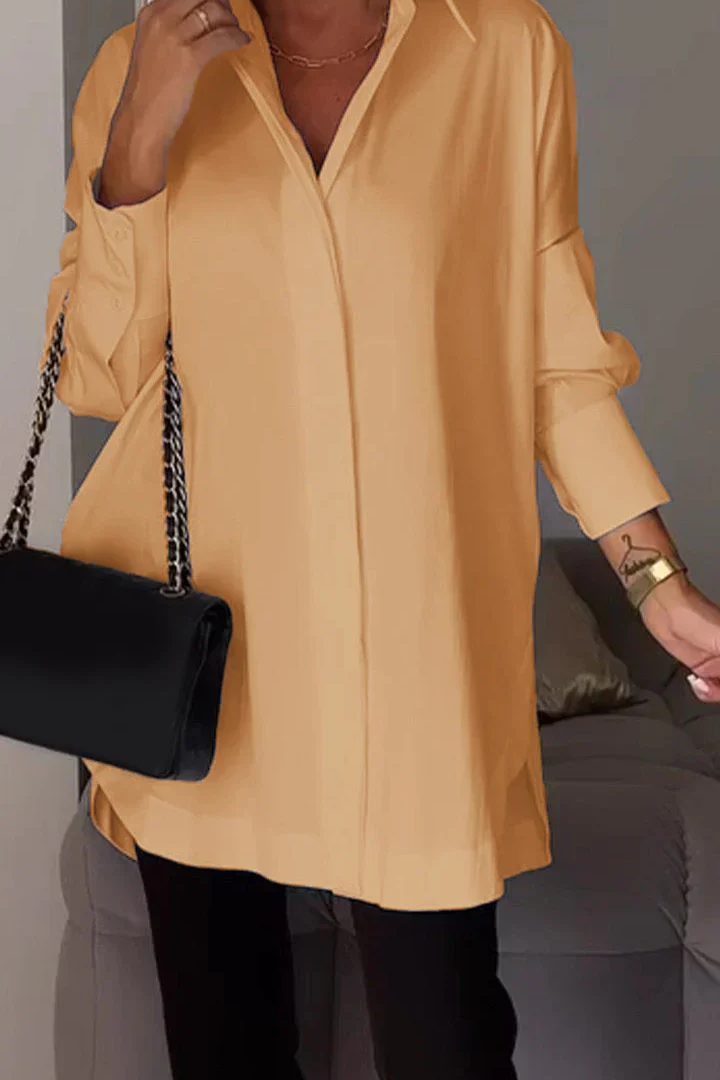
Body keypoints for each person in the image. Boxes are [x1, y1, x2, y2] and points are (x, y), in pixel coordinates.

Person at [42, 0, 720, 1077]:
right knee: (225, 1052)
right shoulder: (140, 64)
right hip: (203, 670)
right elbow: (99, 375)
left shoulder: (506, 52)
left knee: (449, 1043)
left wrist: (655, 582)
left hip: (415, 662)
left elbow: (556, 359)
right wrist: (137, 143)